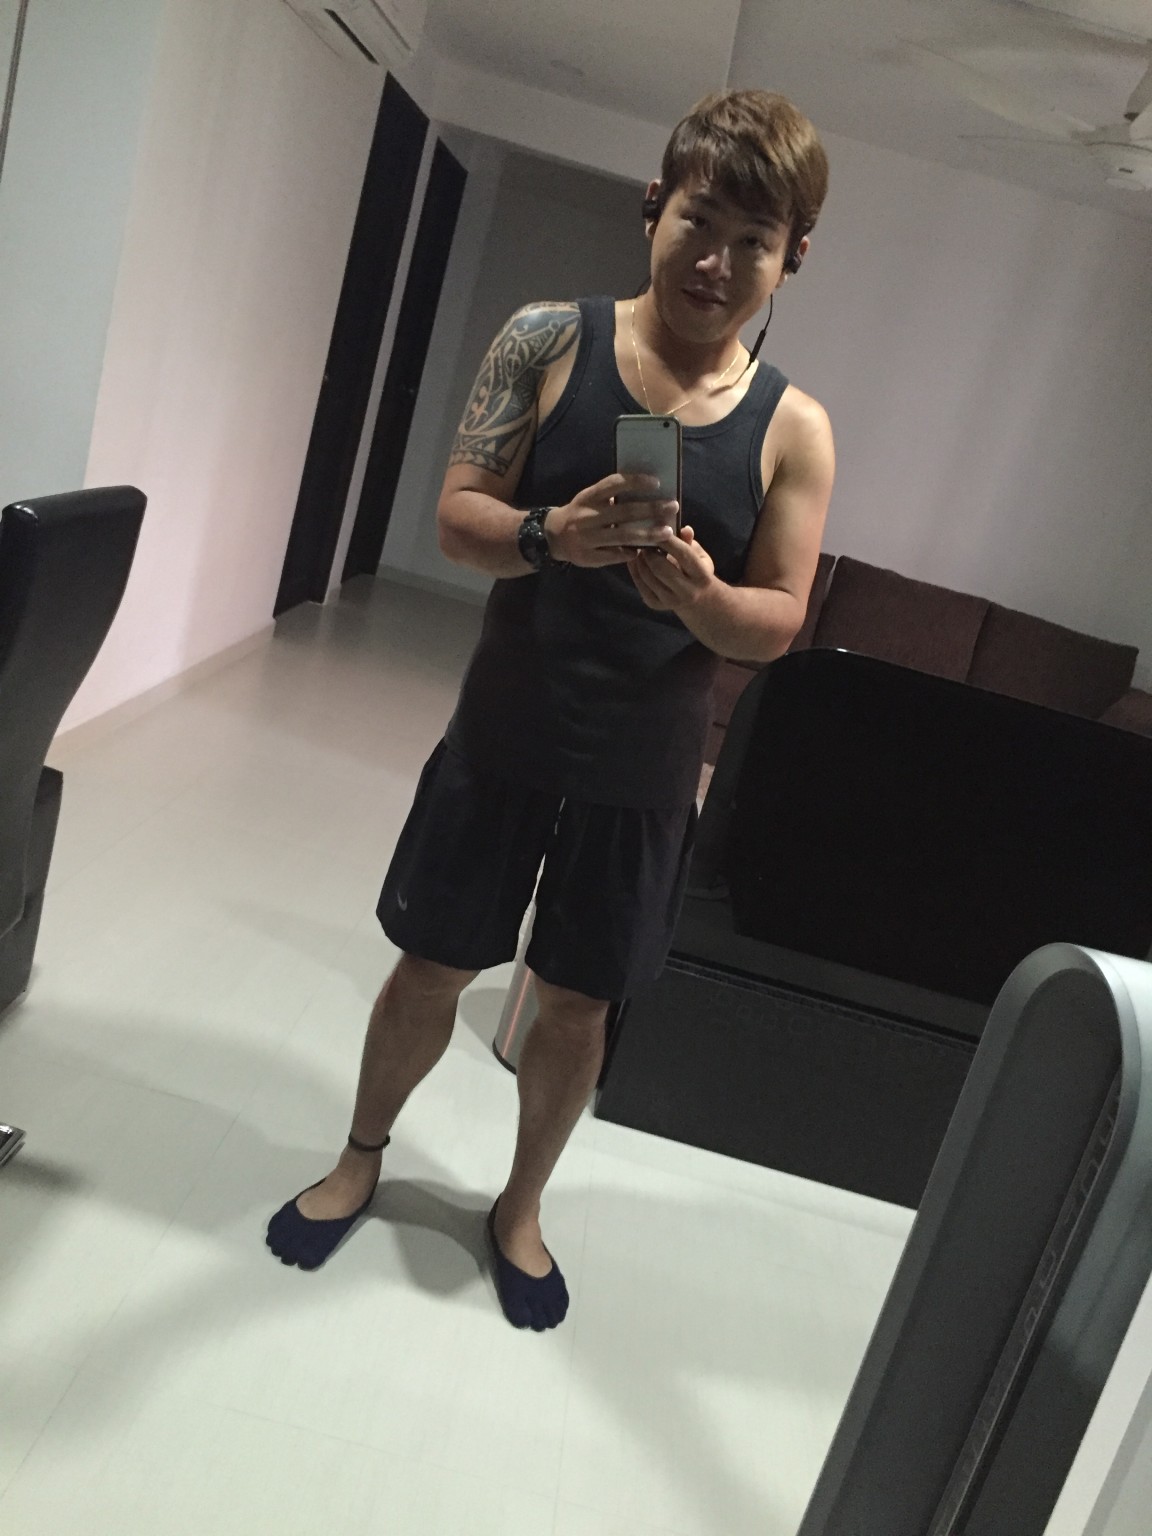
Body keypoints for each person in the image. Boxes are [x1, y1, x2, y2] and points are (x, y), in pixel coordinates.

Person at [267, 88, 835, 1331]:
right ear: (655, 206)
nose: (717, 260)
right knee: (433, 963)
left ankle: (519, 1207)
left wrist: (704, 600)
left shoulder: (795, 429)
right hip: (507, 727)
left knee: (579, 1003)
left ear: (792, 256)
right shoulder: (547, 340)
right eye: (699, 221)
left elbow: (781, 618)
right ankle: (361, 1152)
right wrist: (551, 536)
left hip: (646, 765)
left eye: (753, 239)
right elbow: (455, 517)